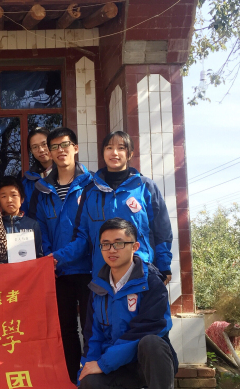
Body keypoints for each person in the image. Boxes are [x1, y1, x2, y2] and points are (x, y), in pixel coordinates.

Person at [52, 131, 173, 359]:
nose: (114, 153)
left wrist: (164, 266)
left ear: (130, 153)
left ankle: (145, 376)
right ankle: (104, 374)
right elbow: (82, 238)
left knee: (145, 333)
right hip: (104, 279)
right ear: (103, 153)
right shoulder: (90, 191)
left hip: (141, 276)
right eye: (109, 147)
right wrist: (55, 259)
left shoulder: (145, 187)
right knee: (102, 333)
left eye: (121, 148)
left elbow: (162, 231)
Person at [78, 218, 179, 389]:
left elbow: (152, 327)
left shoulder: (151, 282)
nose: (112, 250)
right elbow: (93, 336)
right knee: (87, 383)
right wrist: (87, 367)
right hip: (117, 367)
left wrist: (104, 363)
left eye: (119, 243)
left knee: (152, 342)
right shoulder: (98, 287)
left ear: (135, 246)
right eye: (105, 244)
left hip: (148, 364)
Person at [30, 127, 93, 383]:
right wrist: (49, 258)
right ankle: (70, 382)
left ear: (75, 148)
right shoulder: (42, 189)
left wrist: (55, 257)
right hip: (56, 272)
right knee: (65, 329)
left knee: (91, 328)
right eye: (54, 146)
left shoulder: (91, 185)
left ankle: (91, 382)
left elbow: (88, 233)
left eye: (65, 145)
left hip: (88, 269)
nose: (60, 150)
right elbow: (39, 228)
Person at [0, 175, 43, 261]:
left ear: (22, 199)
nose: (9, 200)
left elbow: (39, 255)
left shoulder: (32, 225)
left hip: (27, 269)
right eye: (4, 196)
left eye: (14, 195)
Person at [22, 127, 54, 217]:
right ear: (31, 151)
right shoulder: (27, 181)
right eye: (35, 147)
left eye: (44, 144)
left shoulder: (65, 174)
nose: (41, 150)